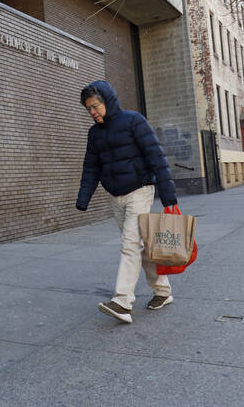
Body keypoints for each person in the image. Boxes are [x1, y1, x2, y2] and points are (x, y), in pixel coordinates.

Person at [75, 81, 178, 324]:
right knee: (139, 247)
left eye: (96, 106)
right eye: (88, 108)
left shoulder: (134, 121)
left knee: (130, 244)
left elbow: (157, 157)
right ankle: (162, 292)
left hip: (140, 191)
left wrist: (168, 197)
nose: (93, 112)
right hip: (116, 197)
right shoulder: (94, 134)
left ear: (107, 101)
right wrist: (83, 198)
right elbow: (91, 167)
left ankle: (122, 301)